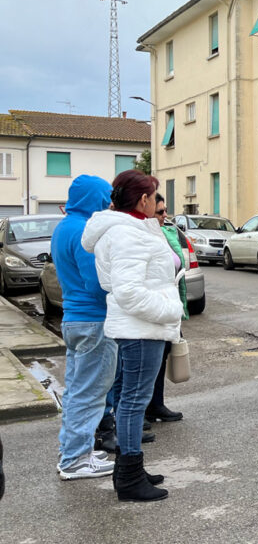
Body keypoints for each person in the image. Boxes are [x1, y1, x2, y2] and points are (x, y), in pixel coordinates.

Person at [82, 170, 185, 502]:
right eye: (154, 197)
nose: (157, 203)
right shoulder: (128, 234)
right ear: (143, 200)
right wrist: (170, 309)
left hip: (140, 326)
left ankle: (129, 469)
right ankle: (129, 476)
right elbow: (128, 292)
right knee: (133, 402)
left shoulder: (130, 228)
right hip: (141, 328)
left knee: (131, 399)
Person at [52, 175, 118, 480]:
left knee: (76, 390)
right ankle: (76, 459)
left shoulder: (64, 227)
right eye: (106, 198)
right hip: (94, 320)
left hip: (73, 319)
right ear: (96, 199)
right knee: (90, 393)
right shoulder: (84, 231)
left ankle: (73, 451)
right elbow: (96, 284)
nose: (108, 204)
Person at [145, 194, 186, 424]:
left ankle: (156, 404)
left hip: (170, 304)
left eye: (165, 210)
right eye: (160, 212)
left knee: (163, 354)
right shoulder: (140, 235)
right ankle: (140, 411)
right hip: (155, 305)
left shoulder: (166, 233)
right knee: (148, 360)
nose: (165, 215)